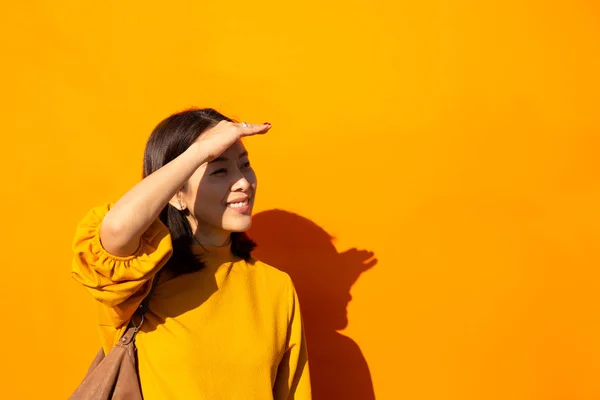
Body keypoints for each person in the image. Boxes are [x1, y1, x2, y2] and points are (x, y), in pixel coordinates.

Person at [71, 108, 311, 399]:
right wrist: (201, 151)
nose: (244, 183)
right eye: (219, 170)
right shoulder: (141, 277)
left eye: (244, 165)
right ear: (176, 194)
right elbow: (117, 228)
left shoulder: (275, 287)